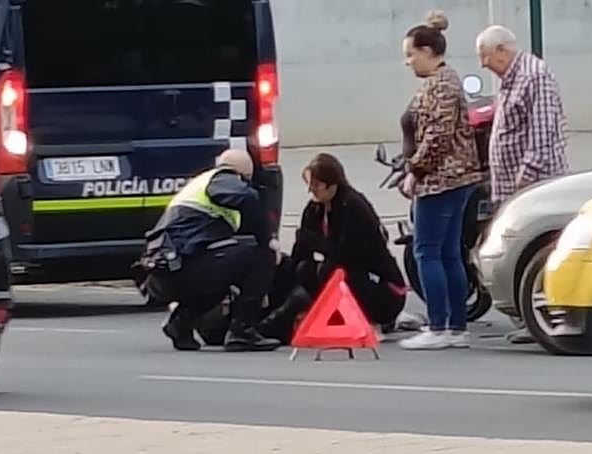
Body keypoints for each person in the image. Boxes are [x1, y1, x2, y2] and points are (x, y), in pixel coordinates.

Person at [475, 24, 569, 344]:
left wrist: (524, 178)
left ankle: (540, 317)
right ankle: (528, 316)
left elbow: (542, 134)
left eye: (485, 56)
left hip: (533, 188)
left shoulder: (534, 76)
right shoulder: (511, 79)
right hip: (513, 188)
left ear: (503, 50)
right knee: (516, 253)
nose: (483, 64)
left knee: (533, 254)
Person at [397, 11, 483, 351]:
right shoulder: (444, 82)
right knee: (448, 253)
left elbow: (438, 135)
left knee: (427, 251)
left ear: (428, 52)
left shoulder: (441, 85)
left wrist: (415, 171)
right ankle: (455, 324)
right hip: (454, 177)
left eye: (411, 54)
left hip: (441, 180)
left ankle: (439, 324)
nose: (408, 62)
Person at [140, 149, 281, 352]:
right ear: (242, 175)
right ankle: (242, 331)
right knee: (262, 258)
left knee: (225, 270)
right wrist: (268, 240)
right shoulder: (224, 179)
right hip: (182, 267)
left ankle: (180, 324)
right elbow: (247, 198)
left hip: (165, 273)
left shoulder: (198, 185)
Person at [256, 154, 407, 342]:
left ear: (332, 184)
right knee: (304, 268)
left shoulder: (353, 206)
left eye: (316, 185)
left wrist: (314, 241)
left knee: (331, 270)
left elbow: (353, 256)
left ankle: (368, 319)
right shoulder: (314, 209)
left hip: (382, 285)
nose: (311, 190)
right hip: (348, 269)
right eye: (309, 184)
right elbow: (302, 251)